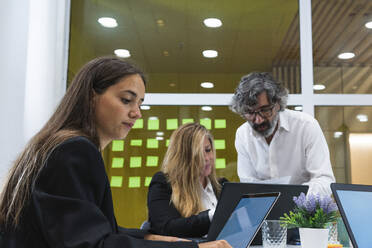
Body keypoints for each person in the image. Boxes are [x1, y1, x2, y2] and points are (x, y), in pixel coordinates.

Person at [0, 57, 231, 248]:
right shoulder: (75, 150)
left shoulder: (60, 144)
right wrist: (195, 247)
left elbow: (99, 229)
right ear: (91, 96)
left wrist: (149, 237)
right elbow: (93, 244)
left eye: (139, 103)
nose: (137, 113)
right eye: (126, 100)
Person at [230, 72, 335, 196]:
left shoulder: (306, 126)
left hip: (305, 210)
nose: (258, 120)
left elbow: (324, 180)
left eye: (265, 110)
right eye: (250, 113)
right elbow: (249, 185)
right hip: (265, 210)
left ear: (278, 104)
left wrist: (293, 199)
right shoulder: (243, 135)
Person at [147, 123, 227, 238]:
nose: (206, 158)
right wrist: (213, 216)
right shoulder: (163, 183)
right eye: (198, 154)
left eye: (208, 150)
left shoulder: (223, 186)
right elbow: (166, 228)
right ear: (183, 157)